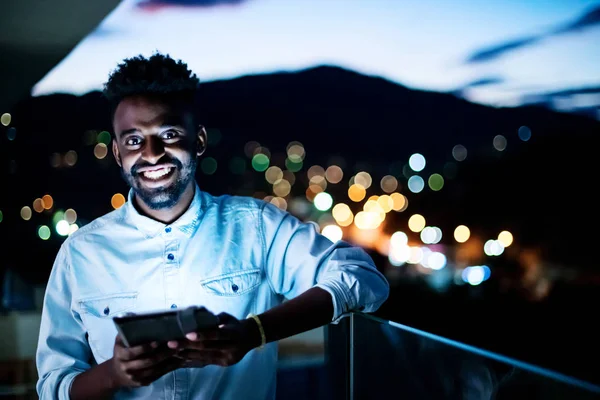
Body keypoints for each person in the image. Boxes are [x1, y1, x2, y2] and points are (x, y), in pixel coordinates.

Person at [35, 52, 390, 400]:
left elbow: (362, 278)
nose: (152, 152)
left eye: (169, 133)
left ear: (199, 140)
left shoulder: (256, 226)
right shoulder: (80, 253)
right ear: (116, 153)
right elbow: (53, 386)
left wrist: (255, 332)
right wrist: (112, 374)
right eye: (133, 140)